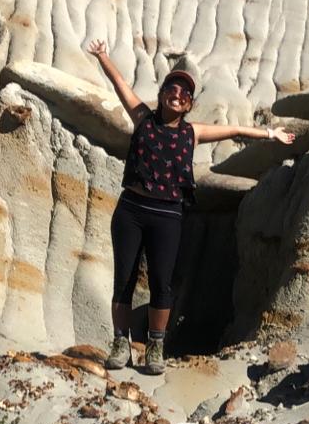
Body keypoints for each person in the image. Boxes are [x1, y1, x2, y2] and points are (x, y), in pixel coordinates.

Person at [85, 39, 296, 374]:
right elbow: (120, 84)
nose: (178, 95)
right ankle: (120, 342)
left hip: (168, 214)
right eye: (173, 88)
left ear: (189, 104)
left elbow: (236, 129)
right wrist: (102, 56)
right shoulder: (143, 118)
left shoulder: (192, 132)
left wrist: (270, 135)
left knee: (161, 283)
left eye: (185, 93)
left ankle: (155, 345)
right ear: (163, 92)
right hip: (131, 210)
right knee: (123, 280)